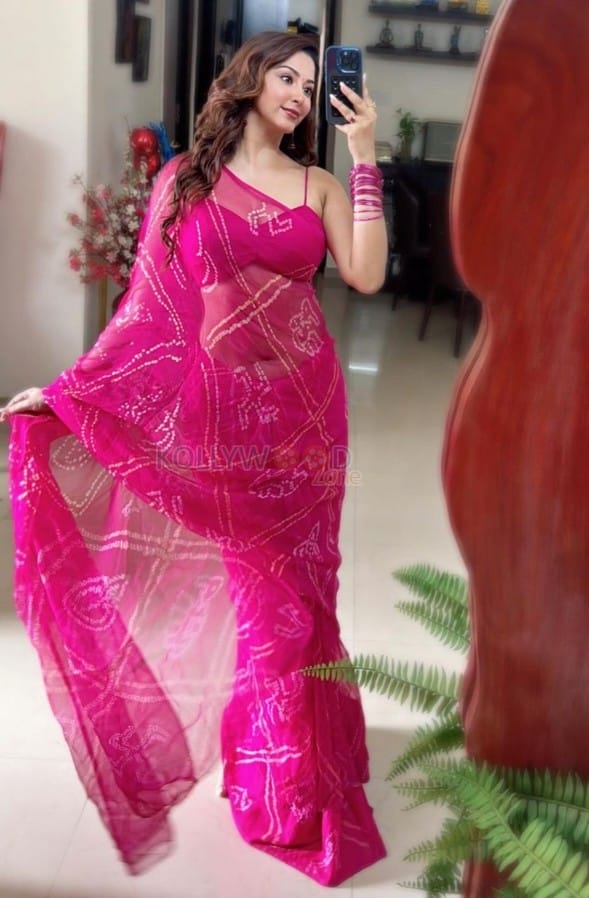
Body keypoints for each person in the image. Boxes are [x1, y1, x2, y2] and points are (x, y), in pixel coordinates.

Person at [0, 31, 388, 886]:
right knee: (269, 604)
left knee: (303, 593)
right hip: (225, 424)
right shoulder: (186, 182)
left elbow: (365, 274)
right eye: (286, 75)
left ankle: (298, 765)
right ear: (249, 79)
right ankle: (280, 776)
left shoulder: (319, 184)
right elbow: (146, 313)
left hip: (306, 418)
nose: (299, 93)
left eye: (311, 84)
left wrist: (364, 157)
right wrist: (65, 394)